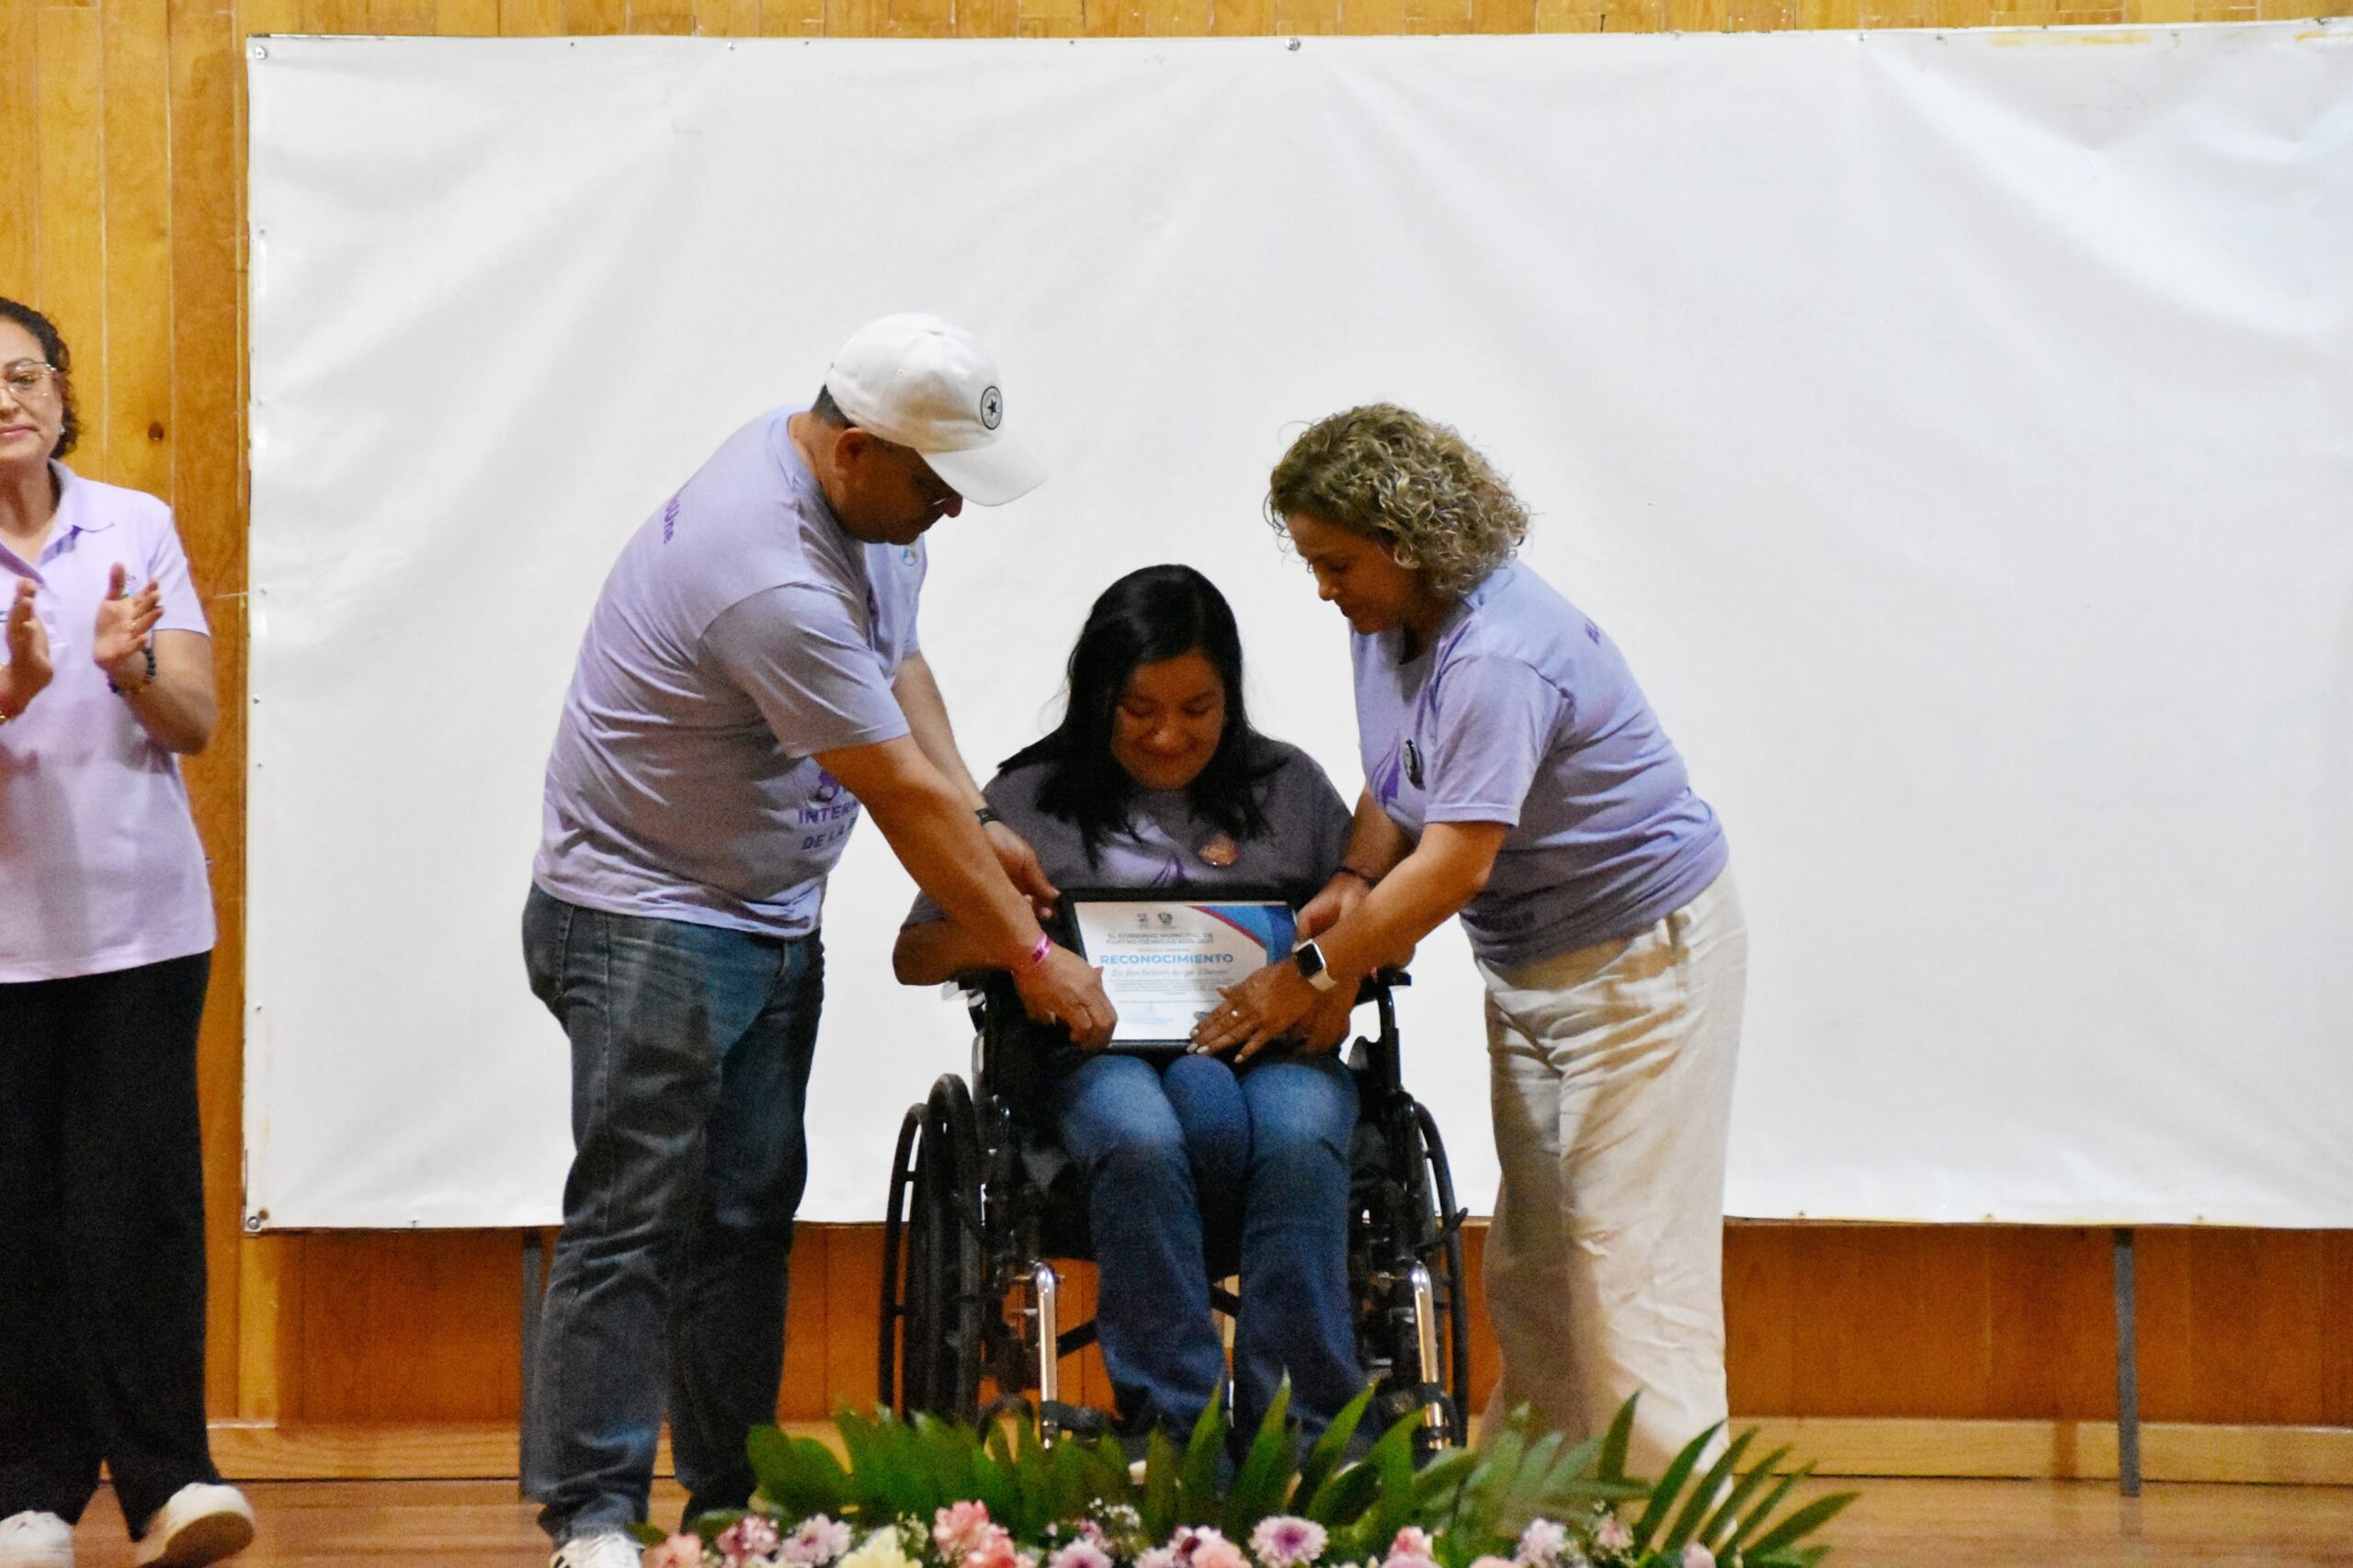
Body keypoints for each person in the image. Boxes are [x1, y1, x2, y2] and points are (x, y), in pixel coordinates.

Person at [524, 313, 1114, 1568]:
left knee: (745, 1213)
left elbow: (897, 673)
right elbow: (894, 794)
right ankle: (595, 1516)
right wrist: (1027, 952)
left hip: (762, 914)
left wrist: (981, 811)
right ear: (851, 450)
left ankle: (733, 1501)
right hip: (646, 918)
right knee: (634, 1216)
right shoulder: (765, 568)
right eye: (936, 483)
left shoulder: (862, 508)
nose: (952, 511)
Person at [1195, 403, 1745, 1473]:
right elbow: (1404, 774)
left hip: (1642, 960)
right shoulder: (1389, 624)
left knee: (1630, 1272)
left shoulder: (1500, 654)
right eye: (1310, 560)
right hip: (1536, 965)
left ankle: (1683, 1537)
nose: (1321, 586)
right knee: (1538, 1268)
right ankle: (1537, 1525)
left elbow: (1455, 861)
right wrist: (1354, 877)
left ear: (1411, 545)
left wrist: (1305, 972)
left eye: (1336, 561)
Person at [893, 564, 1365, 1452]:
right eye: (1140, 707)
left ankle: (1303, 1435)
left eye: (1198, 707)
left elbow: (1373, 932)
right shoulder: (1025, 798)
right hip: (1095, 1058)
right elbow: (914, 953)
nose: (1168, 735)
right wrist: (1023, 943)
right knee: (1140, 1133)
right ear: (1097, 695)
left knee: (1303, 1139)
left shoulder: (1289, 788)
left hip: (1273, 1054)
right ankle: (1175, 1430)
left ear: (1230, 694)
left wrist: (1325, 971)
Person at [0, 298, 256, 1568]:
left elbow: (196, 718)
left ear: (60, 390)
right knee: (19, 1211)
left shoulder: (133, 525)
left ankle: (173, 1482)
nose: (11, 399)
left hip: (144, 929)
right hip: (3, 944)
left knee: (142, 1205)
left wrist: (127, 668)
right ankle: (29, 1492)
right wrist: (12, 691)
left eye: (27, 374)